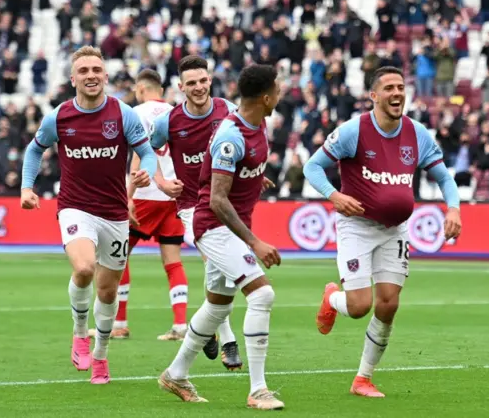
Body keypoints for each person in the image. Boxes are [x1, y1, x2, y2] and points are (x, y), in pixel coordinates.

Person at [303, 66, 462, 398]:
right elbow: (312, 166)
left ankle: (363, 378)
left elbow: (445, 178)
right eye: (388, 88)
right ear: (373, 96)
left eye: (401, 87)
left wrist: (454, 208)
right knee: (360, 306)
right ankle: (332, 298)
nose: (396, 93)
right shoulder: (352, 131)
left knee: (388, 305)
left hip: (396, 230)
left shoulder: (417, 133)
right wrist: (334, 195)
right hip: (357, 227)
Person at [19, 46, 166, 384]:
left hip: (114, 214)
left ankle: (100, 354)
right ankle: (79, 332)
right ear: (73, 79)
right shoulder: (60, 117)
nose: (90, 75)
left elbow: (147, 152)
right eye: (83, 70)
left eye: (96, 70)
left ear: (105, 76)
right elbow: (34, 149)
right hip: (74, 207)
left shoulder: (123, 114)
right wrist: (27, 187)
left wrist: (145, 171)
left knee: (107, 292)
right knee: (84, 268)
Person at [157, 64, 285, 410]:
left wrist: (255, 178)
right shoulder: (231, 135)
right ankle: (258, 389)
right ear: (266, 96)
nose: (281, 94)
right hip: (213, 227)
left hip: (227, 225)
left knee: (217, 306)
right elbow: (216, 198)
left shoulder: (254, 125)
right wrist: (256, 242)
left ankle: (175, 373)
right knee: (263, 295)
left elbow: (234, 175)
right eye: (278, 88)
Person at [150, 55, 242, 369]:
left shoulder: (227, 110)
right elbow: (147, 150)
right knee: (217, 261)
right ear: (181, 87)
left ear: (209, 80)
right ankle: (228, 339)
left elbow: (245, 145)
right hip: (191, 206)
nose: (199, 87)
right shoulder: (169, 121)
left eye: (203, 81)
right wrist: (161, 181)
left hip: (228, 203)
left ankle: (206, 329)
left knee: (225, 272)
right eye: (192, 83)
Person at [87, 69, 187, 341]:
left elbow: (137, 156)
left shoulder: (135, 112)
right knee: (173, 262)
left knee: (117, 256)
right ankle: (180, 325)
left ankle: (119, 322)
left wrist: (127, 196)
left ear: (141, 89)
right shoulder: (177, 112)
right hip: (173, 195)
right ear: (162, 90)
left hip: (144, 193)